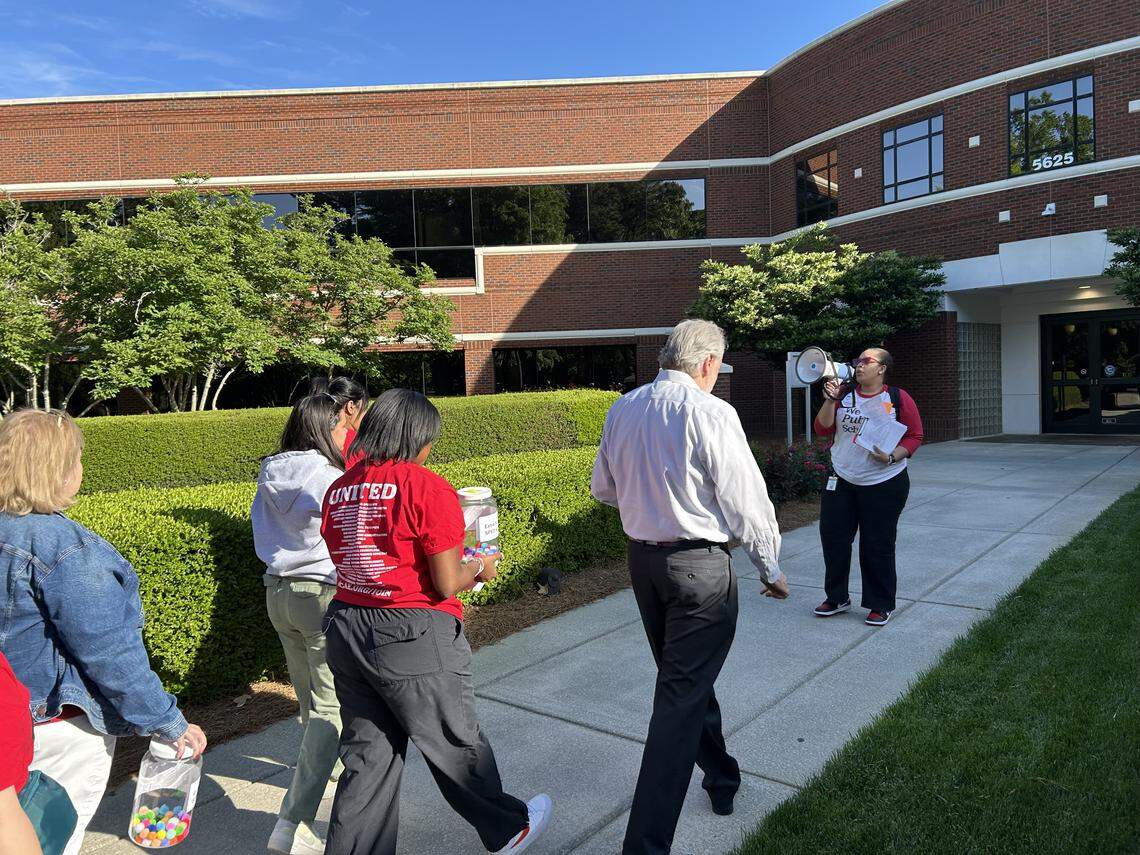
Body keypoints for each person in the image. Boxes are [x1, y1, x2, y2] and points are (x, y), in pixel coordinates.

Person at [320, 389, 552, 855]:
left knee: (369, 760)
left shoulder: (341, 486)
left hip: (348, 626)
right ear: (418, 436)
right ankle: (507, 829)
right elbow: (447, 581)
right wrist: (482, 565)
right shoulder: (425, 485)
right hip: (412, 634)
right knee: (454, 742)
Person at [590, 319, 788, 855]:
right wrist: (770, 567)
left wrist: (650, 501)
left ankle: (721, 777)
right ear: (706, 365)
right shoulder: (711, 412)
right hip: (699, 567)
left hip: (644, 564)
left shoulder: (623, 408)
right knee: (678, 698)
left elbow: (602, 488)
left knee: (684, 681)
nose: (716, 378)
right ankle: (645, 846)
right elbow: (745, 500)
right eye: (717, 369)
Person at [0, 409, 206, 855]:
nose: (81, 469)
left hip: (10, 719)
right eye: (76, 458)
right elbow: (111, 653)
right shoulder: (65, 548)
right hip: (56, 728)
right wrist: (167, 722)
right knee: (47, 840)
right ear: (58, 468)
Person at [252, 394, 347, 855]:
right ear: (326, 427)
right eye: (340, 424)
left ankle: (327, 767)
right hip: (320, 592)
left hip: (278, 592)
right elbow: (349, 525)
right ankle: (293, 820)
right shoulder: (326, 474)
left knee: (310, 699)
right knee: (332, 707)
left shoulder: (271, 469)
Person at [811, 347, 924, 626]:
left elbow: (915, 435)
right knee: (834, 540)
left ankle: (880, 603)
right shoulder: (845, 396)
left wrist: (891, 456)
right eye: (857, 362)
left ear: (882, 368)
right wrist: (829, 400)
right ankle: (836, 597)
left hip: (884, 481)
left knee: (877, 544)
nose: (858, 366)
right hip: (842, 478)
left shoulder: (897, 398)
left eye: (866, 361)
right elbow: (822, 429)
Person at [307, 376, 368, 460]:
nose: (365, 414)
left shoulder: (313, 433)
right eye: (364, 408)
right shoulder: (356, 443)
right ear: (350, 407)